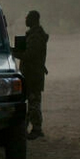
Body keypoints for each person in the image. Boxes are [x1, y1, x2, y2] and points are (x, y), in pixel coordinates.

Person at [13, 10, 49, 139]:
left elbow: (30, 55)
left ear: (33, 19)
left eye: (27, 18)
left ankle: (37, 129)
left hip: (33, 74)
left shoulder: (36, 37)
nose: (26, 20)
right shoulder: (35, 35)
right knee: (31, 102)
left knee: (33, 103)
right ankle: (29, 127)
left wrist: (14, 53)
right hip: (32, 73)